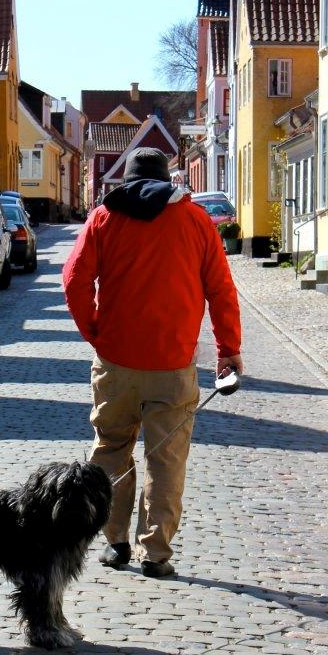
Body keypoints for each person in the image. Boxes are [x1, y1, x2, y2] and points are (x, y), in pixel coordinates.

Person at [62, 147, 242, 578]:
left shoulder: (104, 218)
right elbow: (221, 292)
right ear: (168, 180)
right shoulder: (196, 221)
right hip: (173, 364)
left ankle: (115, 543)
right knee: (166, 459)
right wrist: (228, 352)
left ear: (126, 179)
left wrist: (96, 333)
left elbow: (74, 280)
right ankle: (156, 554)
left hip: (116, 361)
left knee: (110, 449)